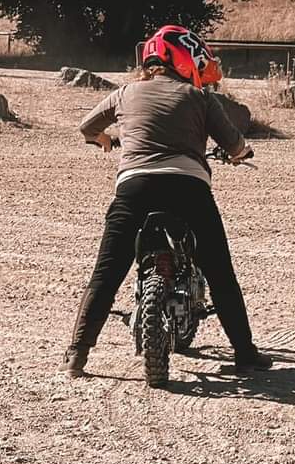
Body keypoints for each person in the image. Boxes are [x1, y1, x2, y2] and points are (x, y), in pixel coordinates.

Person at [64, 24, 271, 378]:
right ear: (185, 59)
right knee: (220, 272)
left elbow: (86, 126)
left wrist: (105, 139)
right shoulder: (200, 98)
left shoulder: (126, 93)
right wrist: (238, 154)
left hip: (134, 188)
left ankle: (77, 354)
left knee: (107, 272)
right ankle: (245, 354)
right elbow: (235, 145)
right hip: (189, 188)